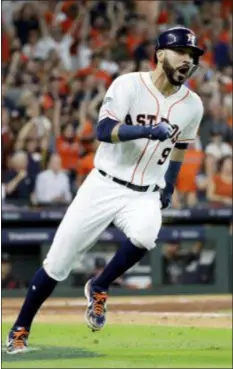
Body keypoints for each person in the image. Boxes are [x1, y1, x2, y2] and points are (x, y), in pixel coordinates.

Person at [6, 26, 204, 353]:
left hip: (144, 192)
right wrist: (145, 131)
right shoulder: (128, 84)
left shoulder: (192, 105)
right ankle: (20, 328)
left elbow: (180, 148)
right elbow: (103, 129)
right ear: (160, 54)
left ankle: (99, 285)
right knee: (57, 263)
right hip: (103, 184)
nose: (188, 60)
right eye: (182, 52)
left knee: (145, 234)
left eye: (193, 56)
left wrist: (168, 185)